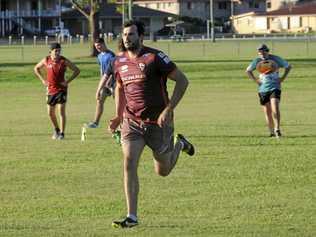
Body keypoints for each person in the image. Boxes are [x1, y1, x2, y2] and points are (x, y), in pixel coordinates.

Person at [96, 20, 195, 228]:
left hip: (158, 122)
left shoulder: (155, 57)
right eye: (124, 34)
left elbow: (183, 80)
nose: (127, 38)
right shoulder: (118, 61)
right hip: (132, 121)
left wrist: (169, 110)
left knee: (163, 170)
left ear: (141, 37)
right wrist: (118, 115)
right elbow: (121, 88)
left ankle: (180, 144)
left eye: (131, 34)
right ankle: (132, 216)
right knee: (129, 162)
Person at [34, 42, 80, 140]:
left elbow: (77, 70)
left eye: (59, 51)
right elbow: (36, 68)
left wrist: (67, 81)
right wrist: (43, 80)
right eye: (56, 51)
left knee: (61, 111)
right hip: (50, 90)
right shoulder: (46, 60)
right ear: (50, 51)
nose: (58, 53)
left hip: (61, 89)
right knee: (50, 113)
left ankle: (62, 133)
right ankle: (56, 129)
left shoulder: (63, 61)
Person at [246, 44, 291, 138]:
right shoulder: (257, 61)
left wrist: (282, 78)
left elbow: (288, 66)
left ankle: (277, 129)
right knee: (267, 111)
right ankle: (271, 132)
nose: (261, 54)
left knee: (275, 107)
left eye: (263, 51)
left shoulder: (276, 59)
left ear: (267, 51)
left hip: (275, 87)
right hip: (263, 89)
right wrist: (256, 81)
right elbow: (248, 71)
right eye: (259, 52)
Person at [86, 38, 115, 128]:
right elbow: (101, 70)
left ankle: (123, 122)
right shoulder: (99, 56)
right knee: (99, 101)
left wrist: (110, 81)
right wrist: (101, 81)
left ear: (103, 44)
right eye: (96, 46)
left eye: (98, 45)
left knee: (119, 103)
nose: (97, 47)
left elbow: (114, 70)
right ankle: (96, 123)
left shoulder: (111, 55)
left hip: (114, 83)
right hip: (104, 84)